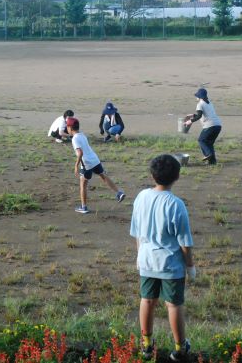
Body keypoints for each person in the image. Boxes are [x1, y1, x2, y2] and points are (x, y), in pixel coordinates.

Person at [130, 154, 195, 362]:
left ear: (152, 175)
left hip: (147, 260)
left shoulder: (141, 197)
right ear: (177, 176)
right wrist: (190, 265)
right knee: (173, 305)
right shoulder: (176, 205)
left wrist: (139, 254)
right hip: (170, 264)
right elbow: (185, 241)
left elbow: (138, 231)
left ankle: (147, 345)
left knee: (147, 300)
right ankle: (179, 348)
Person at [66, 117, 125, 214]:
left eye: (67, 126)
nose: (66, 128)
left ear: (70, 127)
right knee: (103, 176)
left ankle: (83, 207)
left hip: (87, 164)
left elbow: (80, 153)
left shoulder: (75, 139)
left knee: (83, 185)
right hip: (95, 160)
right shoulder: (82, 135)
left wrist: (76, 165)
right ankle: (118, 192)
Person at [184, 88, 222, 165]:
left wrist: (189, 121)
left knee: (201, 140)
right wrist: (193, 115)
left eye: (197, 95)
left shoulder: (200, 104)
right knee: (209, 143)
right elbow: (204, 115)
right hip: (218, 125)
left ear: (199, 96)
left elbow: (199, 116)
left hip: (210, 126)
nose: (196, 97)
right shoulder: (209, 103)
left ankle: (208, 154)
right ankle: (212, 162)